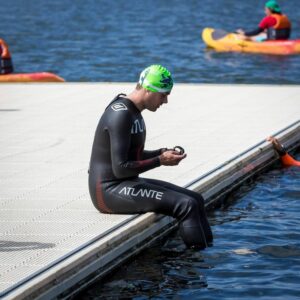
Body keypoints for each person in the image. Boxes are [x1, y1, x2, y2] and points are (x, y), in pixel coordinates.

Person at [88, 65, 213, 249]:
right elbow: (121, 168)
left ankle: (209, 253)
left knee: (196, 199)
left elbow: (133, 156)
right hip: (107, 191)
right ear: (148, 89)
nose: (166, 101)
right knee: (186, 205)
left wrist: (161, 152)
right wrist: (159, 161)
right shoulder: (120, 114)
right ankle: (195, 267)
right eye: (164, 94)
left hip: (124, 183)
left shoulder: (133, 112)